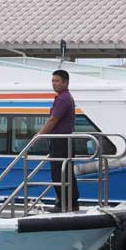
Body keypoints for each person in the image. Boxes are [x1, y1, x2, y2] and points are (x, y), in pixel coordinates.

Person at [38, 69, 79, 211]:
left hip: (61, 141)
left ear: (66, 82)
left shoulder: (63, 98)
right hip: (65, 140)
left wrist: (39, 136)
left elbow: (53, 120)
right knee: (66, 171)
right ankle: (71, 202)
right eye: (52, 81)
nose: (54, 84)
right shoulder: (65, 97)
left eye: (57, 81)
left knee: (59, 172)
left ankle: (63, 203)